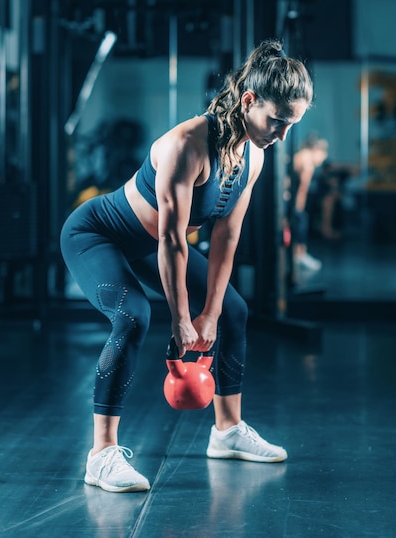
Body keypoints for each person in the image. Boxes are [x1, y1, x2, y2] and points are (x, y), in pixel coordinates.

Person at [60, 39, 313, 493]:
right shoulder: (186, 145)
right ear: (249, 100)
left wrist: (211, 312)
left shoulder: (253, 155)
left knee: (233, 311)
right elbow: (173, 239)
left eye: (290, 125)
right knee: (132, 315)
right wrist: (181, 319)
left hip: (148, 244)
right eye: (277, 121)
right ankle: (100, 455)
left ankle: (228, 430)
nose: (281, 135)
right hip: (97, 235)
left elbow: (226, 235)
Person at [292, 134, 329, 271]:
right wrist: (298, 209)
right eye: (322, 154)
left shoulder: (300, 155)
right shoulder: (307, 163)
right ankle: (299, 255)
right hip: (287, 197)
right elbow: (302, 190)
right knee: (301, 220)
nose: (323, 159)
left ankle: (298, 254)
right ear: (315, 150)